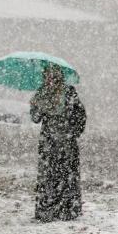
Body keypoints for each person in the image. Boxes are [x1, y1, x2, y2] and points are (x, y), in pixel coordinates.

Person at [30, 65, 86, 222]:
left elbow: (80, 115)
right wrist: (36, 106)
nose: (50, 80)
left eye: (53, 77)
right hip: (48, 142)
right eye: (47, 76)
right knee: (49, 175)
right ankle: (47, 210)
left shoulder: (69, 92)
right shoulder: (41, 94)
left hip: (67, 142)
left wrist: (72, 132)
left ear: (59, 77)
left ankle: (67, 210)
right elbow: (35, 119)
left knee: (67, 175)